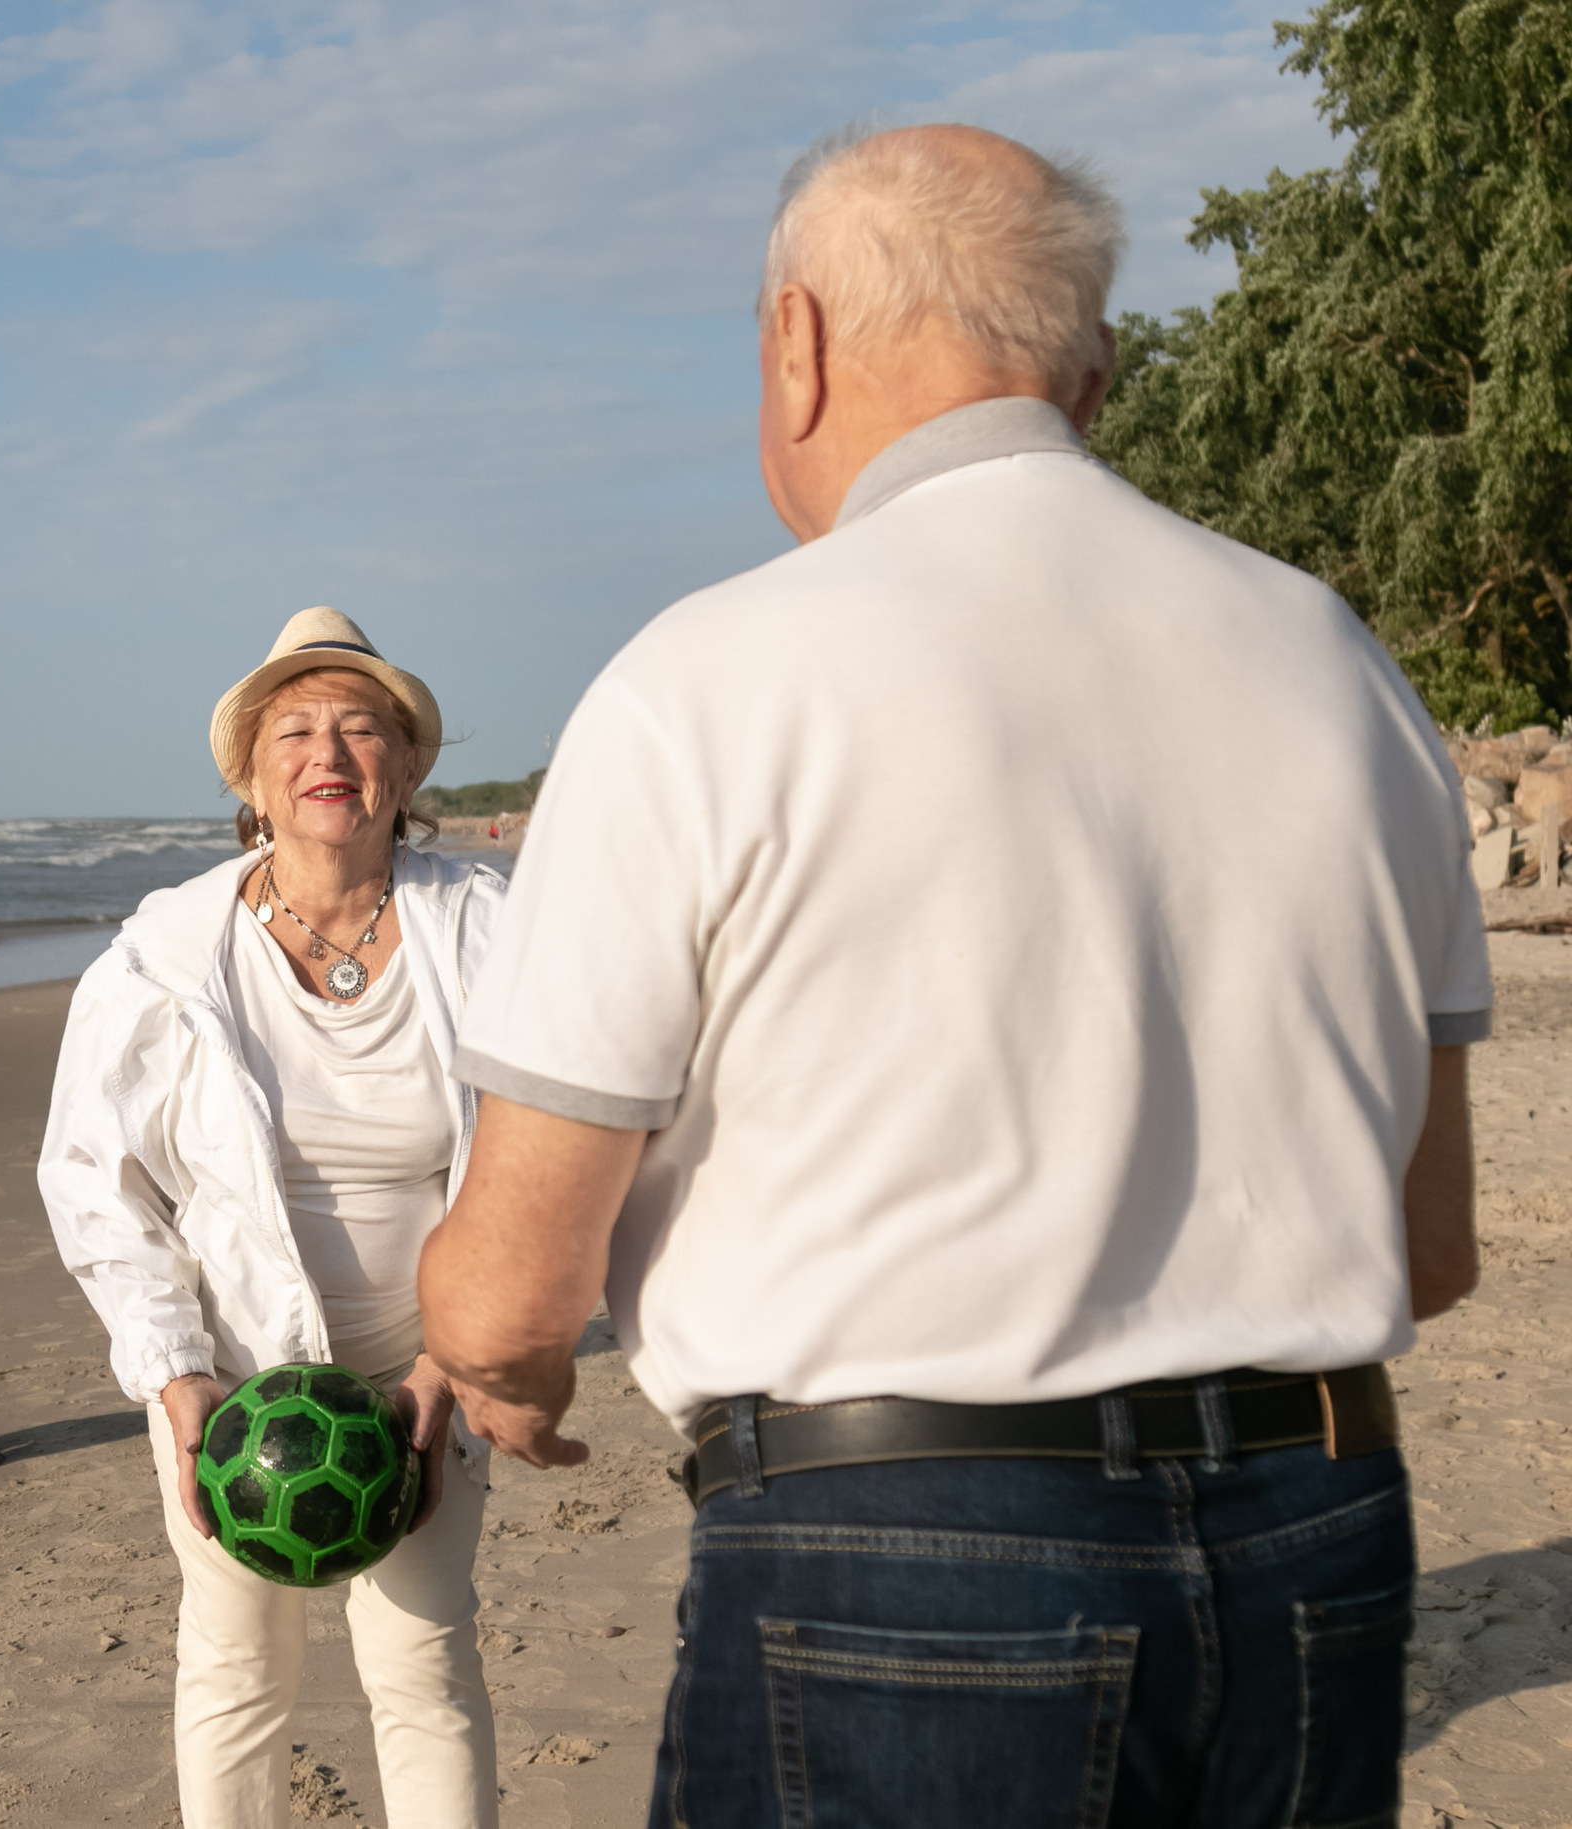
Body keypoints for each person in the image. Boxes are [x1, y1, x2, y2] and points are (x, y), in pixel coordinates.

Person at [418, 125, 1487, 1828]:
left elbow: (505, 1288)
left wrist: (510, 1365)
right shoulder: (1335, 660)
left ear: (798, 340)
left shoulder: (710, 678)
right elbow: (1427, 1244)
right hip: (1313, 1520)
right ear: (1097, 368)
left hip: (901, 1546)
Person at [40, 607, 508, 1829]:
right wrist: (173, 1369)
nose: (328, 754)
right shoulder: (166, 952)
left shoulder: (488, 928)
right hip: (230, 1375)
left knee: (423, 1662)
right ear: (249, 773)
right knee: (237, 1666)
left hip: (426, 1377)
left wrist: (452, 1363)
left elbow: (543, 1150)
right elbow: (94, 1174)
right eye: (294, 729)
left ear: (405, 771)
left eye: (361, 729)